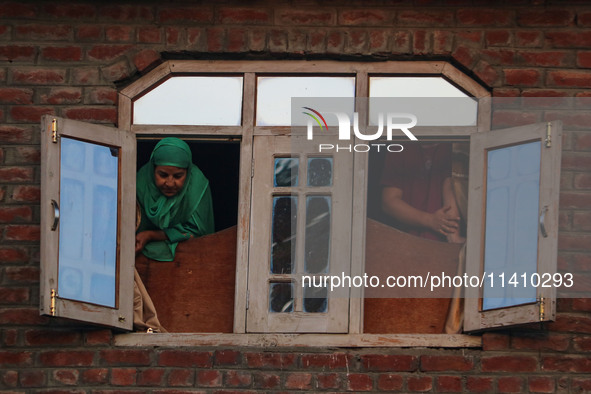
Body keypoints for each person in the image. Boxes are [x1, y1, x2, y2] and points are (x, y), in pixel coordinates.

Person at [133, 137, 215, 332]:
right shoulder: (138, 183)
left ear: (188, 172)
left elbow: (199, 234)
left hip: (188, 273)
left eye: (178, 176)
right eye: (162, 174)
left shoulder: (198, 187)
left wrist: (151, 235)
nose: (170, 183)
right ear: (153, 169)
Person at [380, 142, 464, 244]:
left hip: (443, 245)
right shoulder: (399, 147)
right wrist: (430, 220)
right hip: (405, 242)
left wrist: (453, 237)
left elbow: (451, 185)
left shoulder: (453, 145)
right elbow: (389, 201)